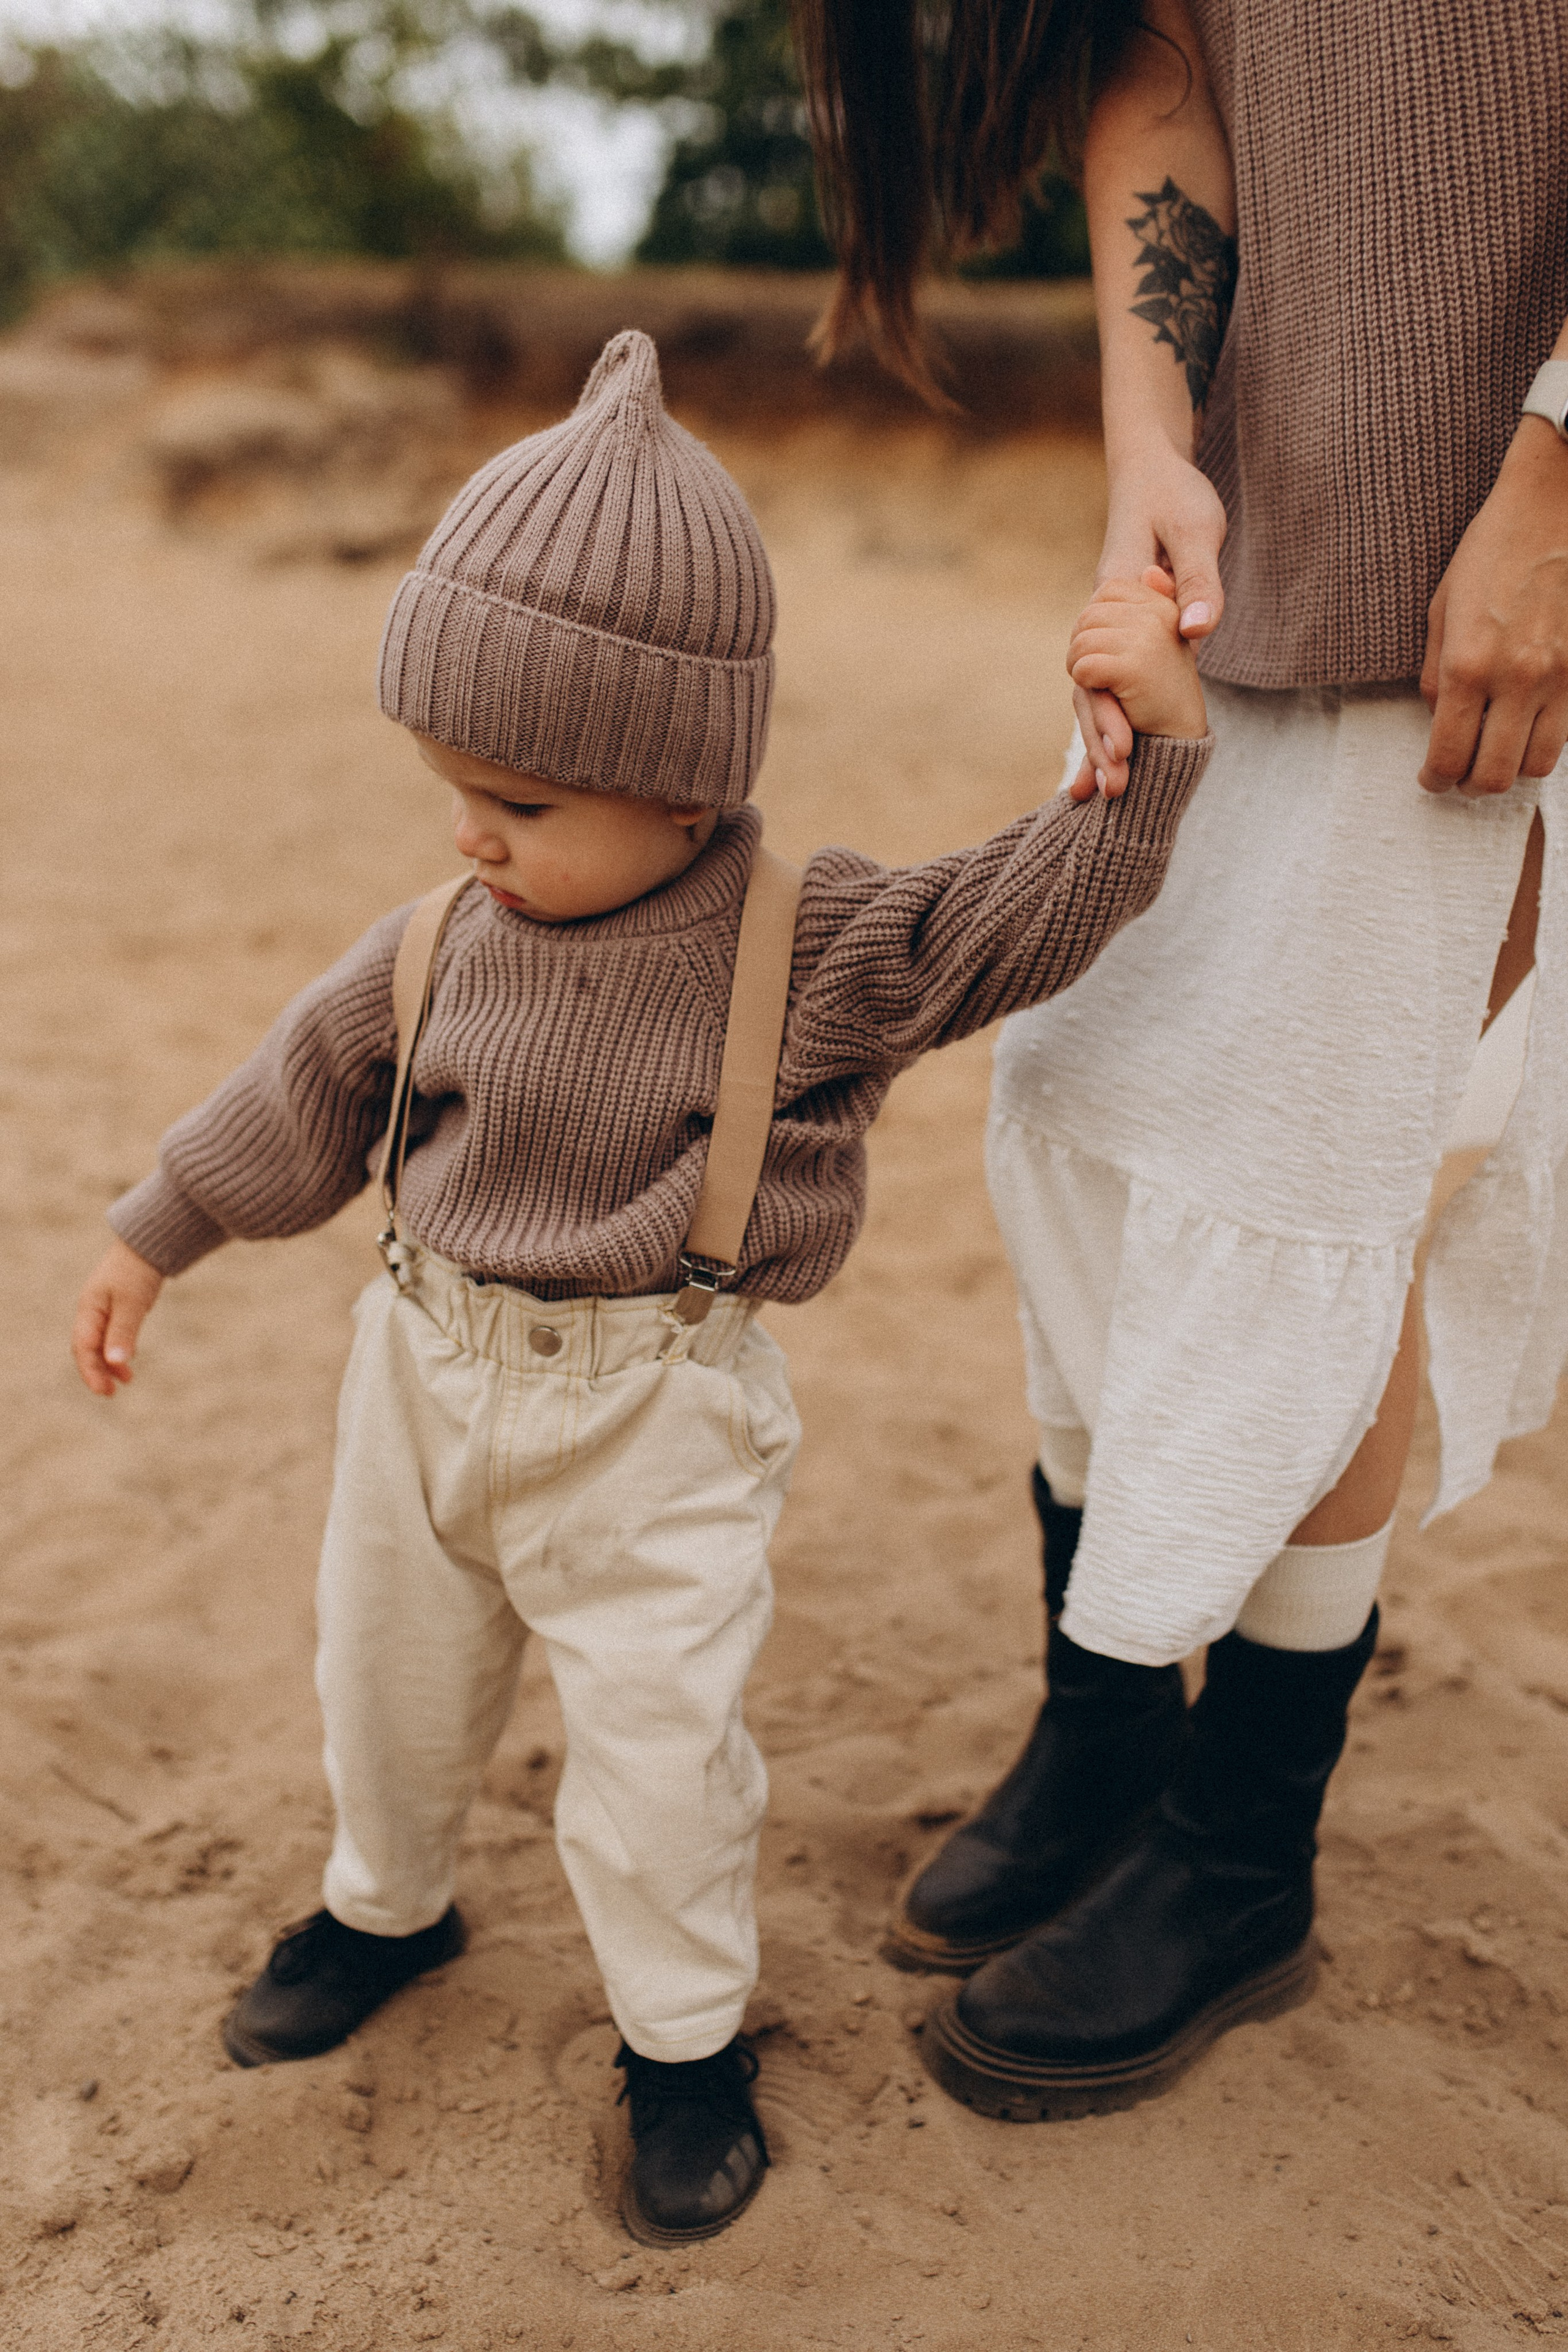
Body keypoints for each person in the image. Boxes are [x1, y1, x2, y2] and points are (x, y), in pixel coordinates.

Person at [70, 330, 1212, 2234]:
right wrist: (152, 1231)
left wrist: (1157, 745)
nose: (469, 832)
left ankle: (684, 2040)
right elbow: (300, 1092)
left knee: (662, 1757)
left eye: (519, 800)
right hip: (420, 1372)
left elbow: (1021, 913)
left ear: (683, 784)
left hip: (655, 1415)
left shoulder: (813, 945)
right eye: (450, 784)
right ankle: (386, 1908)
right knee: (388, 1689)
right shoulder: (443, 933)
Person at [794, 0, 1568, 2116]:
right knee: (1083, 1109)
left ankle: (1242, 1858)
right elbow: (1167, 64)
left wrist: (1559, 470)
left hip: (1494, 574)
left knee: (1298, 1185)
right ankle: (1110, 1715)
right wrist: (1157, 435)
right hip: (1255, 533)